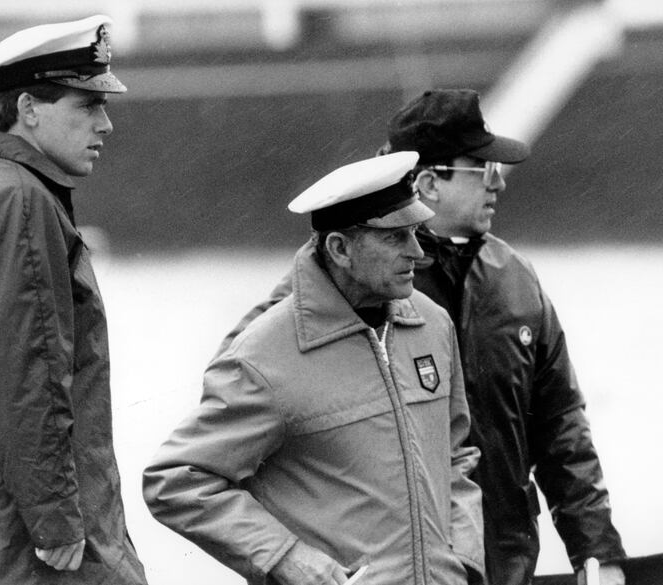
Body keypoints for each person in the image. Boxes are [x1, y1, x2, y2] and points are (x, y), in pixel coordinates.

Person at [143, 151, 485, 585]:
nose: (417, 253)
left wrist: (465, 560)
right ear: (340, 249)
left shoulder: (433, 324)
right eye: (396, 238)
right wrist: (287, 558)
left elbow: (455, 455)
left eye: (416, 233)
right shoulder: (263, 354)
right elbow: (177, 480)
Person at [384, 89, 626, 585]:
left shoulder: (517, 278)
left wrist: (596, 553)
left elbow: (561, 428)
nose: (499, 184)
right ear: (429, 182)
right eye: (483, 169)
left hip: (505, 565)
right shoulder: (363, 280)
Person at [0, 15, 147, 584]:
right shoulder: (18, 203)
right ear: (29, 110)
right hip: (34, 548)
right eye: (87, 106)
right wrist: (57, 523)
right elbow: (26, 377)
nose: (106, 124)